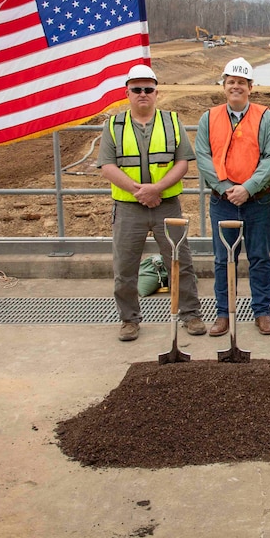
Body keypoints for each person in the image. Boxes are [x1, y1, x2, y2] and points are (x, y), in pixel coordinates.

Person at [97, 64, 206, 342]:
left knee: (180, 262)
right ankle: (129, 320)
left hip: (166, 205)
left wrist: (156, 189)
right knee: (125, 268)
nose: (142, 93)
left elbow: (183, 163)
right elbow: (107, 166)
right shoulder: (113, 126)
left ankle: (190, 314)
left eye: (148, 89)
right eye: (137, 89)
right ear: (127, 93)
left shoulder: (172, 121)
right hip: (128, 208)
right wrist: (140, 192)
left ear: (156, 93)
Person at [194, 57, 270, 337]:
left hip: (258, 201)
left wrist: (248, 188)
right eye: (231, 81)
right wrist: (225, 187)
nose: (236, 86)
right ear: (224, 85)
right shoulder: (208, 118)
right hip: (223, 202)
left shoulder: (266, 117)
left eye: (241, 82)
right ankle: (223, 313)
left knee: (259, 258)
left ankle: (262, 312)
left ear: (250, 87)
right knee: (223, 260)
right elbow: (203, 156)